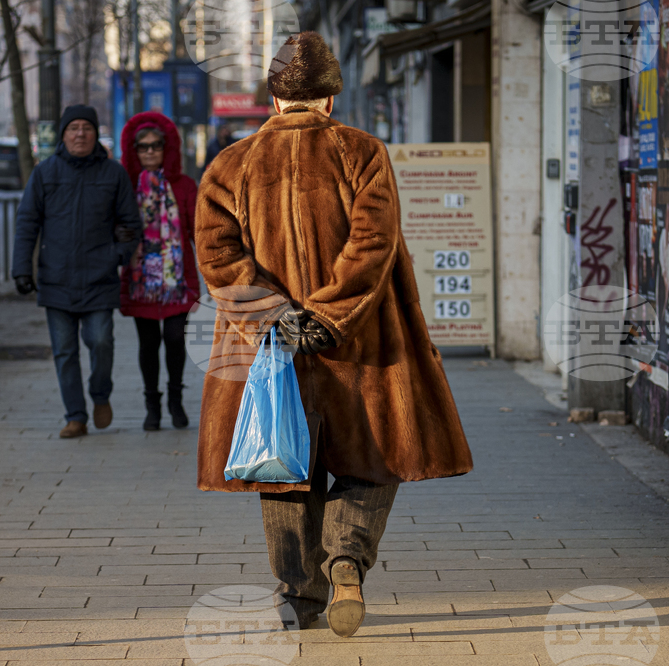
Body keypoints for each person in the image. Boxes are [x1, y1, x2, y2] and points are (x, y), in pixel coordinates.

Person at [194, 32, 473, 637]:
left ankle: (300, 596)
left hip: (269, 351)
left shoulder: (229, 164)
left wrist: (274, 316)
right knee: (371, 459)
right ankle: (347, 559)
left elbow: (216, 253)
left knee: (283, 465)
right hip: (362, 345)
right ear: (328, 100)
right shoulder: (362, 152)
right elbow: (373, 244)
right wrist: (328, 316)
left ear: (274, 101)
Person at [12, 104, 142, 439]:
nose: (80, 133)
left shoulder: (113, 173)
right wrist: (21, 269)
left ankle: (100, 394)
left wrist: (117, 254)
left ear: (95, 133)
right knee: (64, 351)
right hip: (56, 278)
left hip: (99, 278)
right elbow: (27, 222)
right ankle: (75, 416)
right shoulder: (45, 173)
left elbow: (130, 224)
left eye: (86, 127)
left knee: (101, 342)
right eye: (73, 128)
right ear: (63, 134)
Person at [119, 112, 201, 431]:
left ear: (166, 148)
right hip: (141, 281)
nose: (150, 151)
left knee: (175, 338)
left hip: (177, 281)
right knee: (148, 343)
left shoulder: (184, 186)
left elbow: (199, 229)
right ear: (134, 150)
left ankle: (176, 400)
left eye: (156, 145)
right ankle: (151, 404)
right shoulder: (125, 186)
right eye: (143, 147)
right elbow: (117, 227)